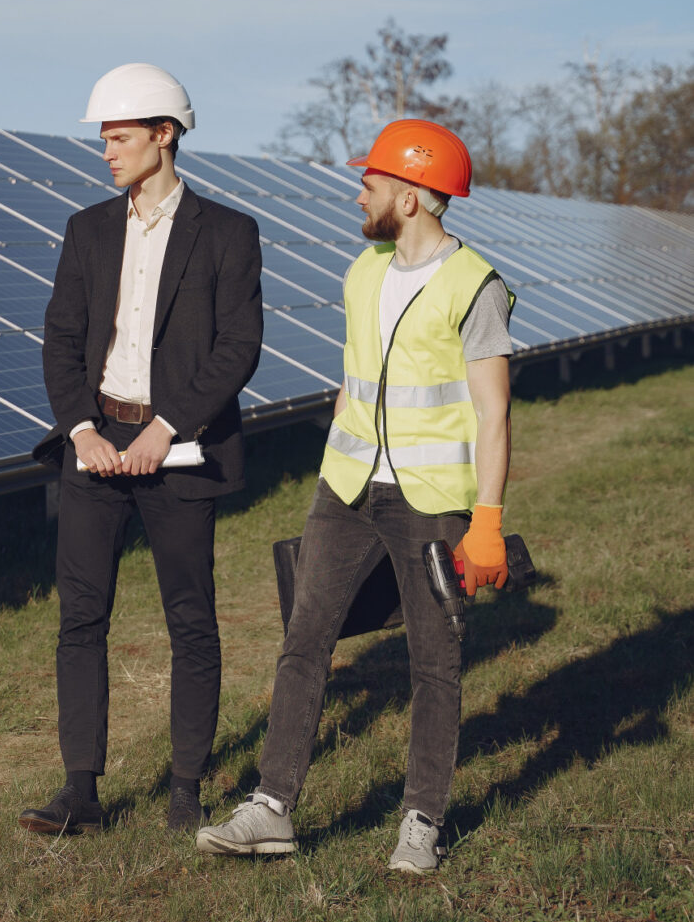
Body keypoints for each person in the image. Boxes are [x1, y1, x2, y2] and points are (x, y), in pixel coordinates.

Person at [195, 118, 514, 872]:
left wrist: (490, 522)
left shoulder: (477, 286)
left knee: (434, 661)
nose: (358, 192)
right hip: (345, 486)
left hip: (430, 498)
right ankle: (272, 808)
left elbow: (495, 412)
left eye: (370, 181)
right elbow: (357, 378)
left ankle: (422, 822)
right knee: (303, 641)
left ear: (409, 195)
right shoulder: (362, 271)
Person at [23, 64, 263, 834]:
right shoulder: (87, 229)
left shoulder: (228, 232)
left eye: (120, 137)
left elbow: (239, 348)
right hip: (94, 443)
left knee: (190, 618)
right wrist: (82, 429)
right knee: (81, 617)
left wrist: (169, 428)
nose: (106, 151)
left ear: (165, 136)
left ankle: (186, 787)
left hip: (181, 445)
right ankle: (81, 793)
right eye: (104, 138)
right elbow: (61, 337)